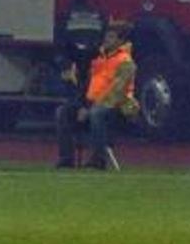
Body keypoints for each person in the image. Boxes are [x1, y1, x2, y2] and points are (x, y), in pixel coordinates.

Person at [55, 20, 138, 169]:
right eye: (106, 36)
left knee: (96, 114)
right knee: (63, 111)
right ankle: (66, 159)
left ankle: (98, 159)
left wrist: (90, 108)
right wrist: (82, 105)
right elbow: (86, 84)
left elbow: (116, 92)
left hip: (117, 107)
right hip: (92, 104)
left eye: (111, 37)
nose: (106, 40)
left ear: (120, 41)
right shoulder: (97, 57)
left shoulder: (126, 62)